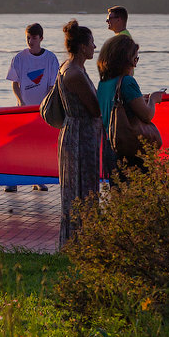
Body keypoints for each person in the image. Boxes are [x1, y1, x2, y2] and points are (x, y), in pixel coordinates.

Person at [56, 19, 102, 249]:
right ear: (83, 46)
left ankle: (80, 239)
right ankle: (78, 241)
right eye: (92, 43)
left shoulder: (71, 67)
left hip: (78, 133)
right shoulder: (74, 72)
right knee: (80, 188)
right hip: (79, 136)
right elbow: (94, 108)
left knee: (79, 187)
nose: (95, 47)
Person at [4, 23, 60, 192]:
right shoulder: (19, 58)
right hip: (23, 110)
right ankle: (13, 180)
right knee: (19, 145)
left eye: (34, 38)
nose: (30, 41)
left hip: (42, 110)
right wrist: (20, 100)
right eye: (28, 37)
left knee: (39, 146)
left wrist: (46, 105)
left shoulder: (50, 59)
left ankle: (38, 179)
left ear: (41, 38)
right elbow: (14, 83)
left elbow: (52, 86)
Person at [97, 33, 162, 180]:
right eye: (135, 59)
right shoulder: (127, 82)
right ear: (126, 59)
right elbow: (146, 115)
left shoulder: (103, 84)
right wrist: (153, 99)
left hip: (110, 146)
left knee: (118, 192)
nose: (136, 63)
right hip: (130, 148)